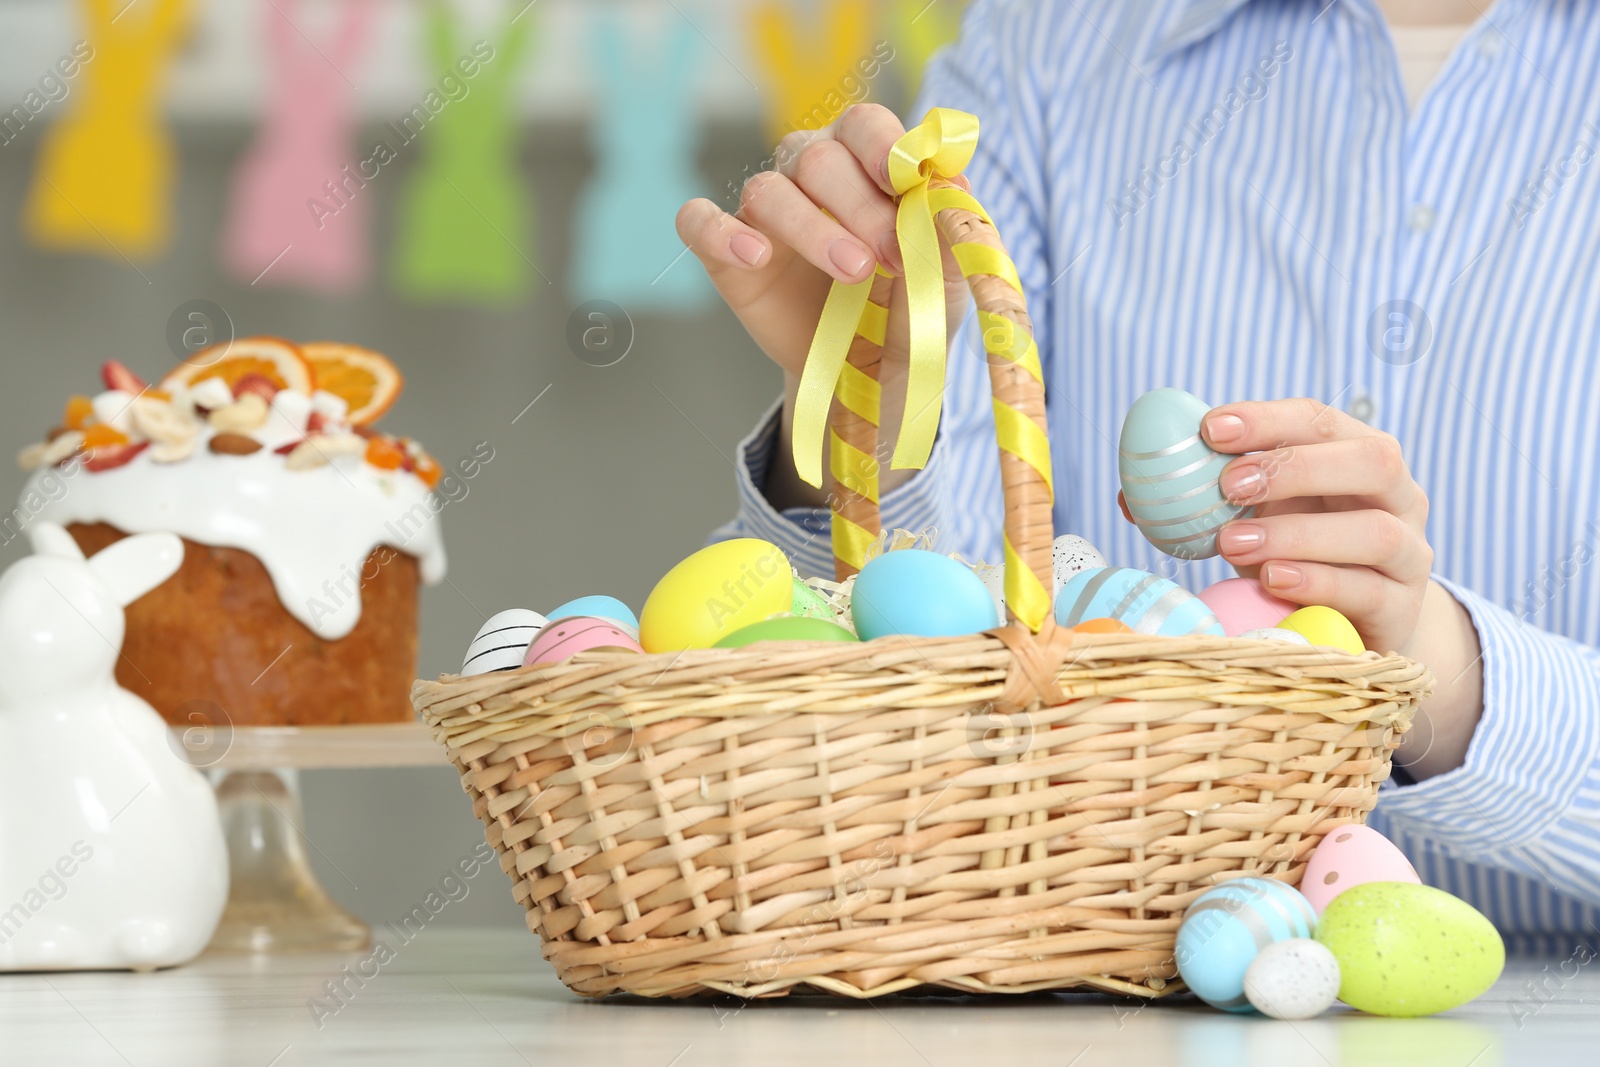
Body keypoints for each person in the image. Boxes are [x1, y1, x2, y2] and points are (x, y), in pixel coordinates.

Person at [677, 0, 1600, 948]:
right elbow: (922, 662)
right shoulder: (1048, 42)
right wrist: (865, 406)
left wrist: (1448, 671)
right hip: (1079, 1007)